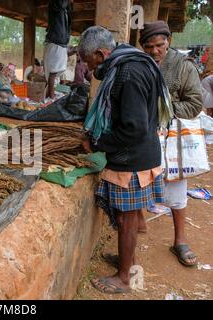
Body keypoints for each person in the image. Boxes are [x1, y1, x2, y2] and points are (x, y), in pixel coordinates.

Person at [79, 26, 173, 294]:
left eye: (89, 61)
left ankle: (124, 278)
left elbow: (133, 128)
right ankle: (126, 260)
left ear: (101, 53)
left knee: (127, 220)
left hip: (134, 158)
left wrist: (97, 143)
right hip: (138, 153)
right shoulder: (128, 63)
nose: (89, 69)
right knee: (126, 218)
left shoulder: (127, 73)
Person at [140, 21, 203, 267]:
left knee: (175, 188)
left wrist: (162, 111)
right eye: (149, 47)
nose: (155, 51)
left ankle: (180, 240)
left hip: (172, 138)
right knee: (140, 182)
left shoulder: (182, 66)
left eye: (160, 45)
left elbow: (195, 103)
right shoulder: (140, 63)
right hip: (144, 135)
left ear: (169, 41)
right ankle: (138, 227)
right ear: (142, 47)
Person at [43, 0, 72, 99]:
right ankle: (51, 98)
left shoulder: (64, 11)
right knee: (53, 73)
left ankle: (49, 97)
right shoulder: (57, 4)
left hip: (60, 43)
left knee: (55, 74)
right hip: (56, 42)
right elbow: (61, 4)